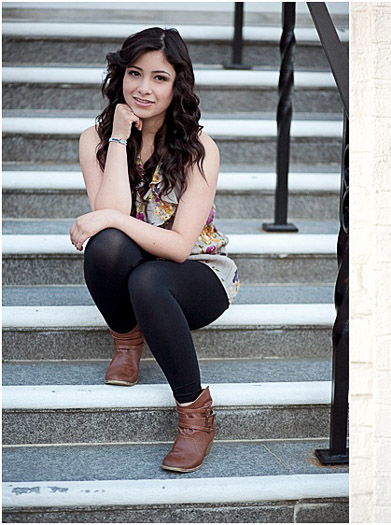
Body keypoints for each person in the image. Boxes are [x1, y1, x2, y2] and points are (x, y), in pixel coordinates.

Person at [70, 27, 239, 473]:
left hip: (199, 275)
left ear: (177, 84)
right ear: (119, 76)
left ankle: (195, 414)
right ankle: (127, 339)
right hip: (138, 267)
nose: (144, 88)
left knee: (144, 272)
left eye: (159, 78)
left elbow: (180, 247)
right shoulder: (95, 139)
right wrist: (121, 138)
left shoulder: (200, 148)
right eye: (134, 73)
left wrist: (110, 219)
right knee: (105, 247)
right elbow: (112, 213)